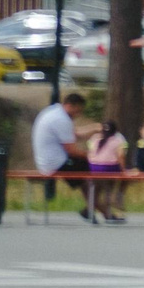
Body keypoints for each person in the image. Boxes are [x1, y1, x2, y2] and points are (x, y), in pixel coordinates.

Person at [31, 89, 89, 217]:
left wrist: (95, 129)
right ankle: (99, 209)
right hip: (56, 163)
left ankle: (91, 208)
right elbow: (72, 151)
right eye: (78, 110)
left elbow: (74, 134)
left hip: (45, 160)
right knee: (94, 169)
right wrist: (92, 156)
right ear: (70, 105)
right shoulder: (62, 120)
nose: (78, 114)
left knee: (87, 169)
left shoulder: (53, 111)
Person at [85, 118, 129, 222]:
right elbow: (121, 156)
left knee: (96, 189)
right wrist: (123, 170)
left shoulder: (95, 138)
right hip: (109, 168)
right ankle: (112, 204)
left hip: (94, 168)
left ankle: (90, 209)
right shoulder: (117, 140)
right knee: (108, 189)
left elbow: (89, 153)